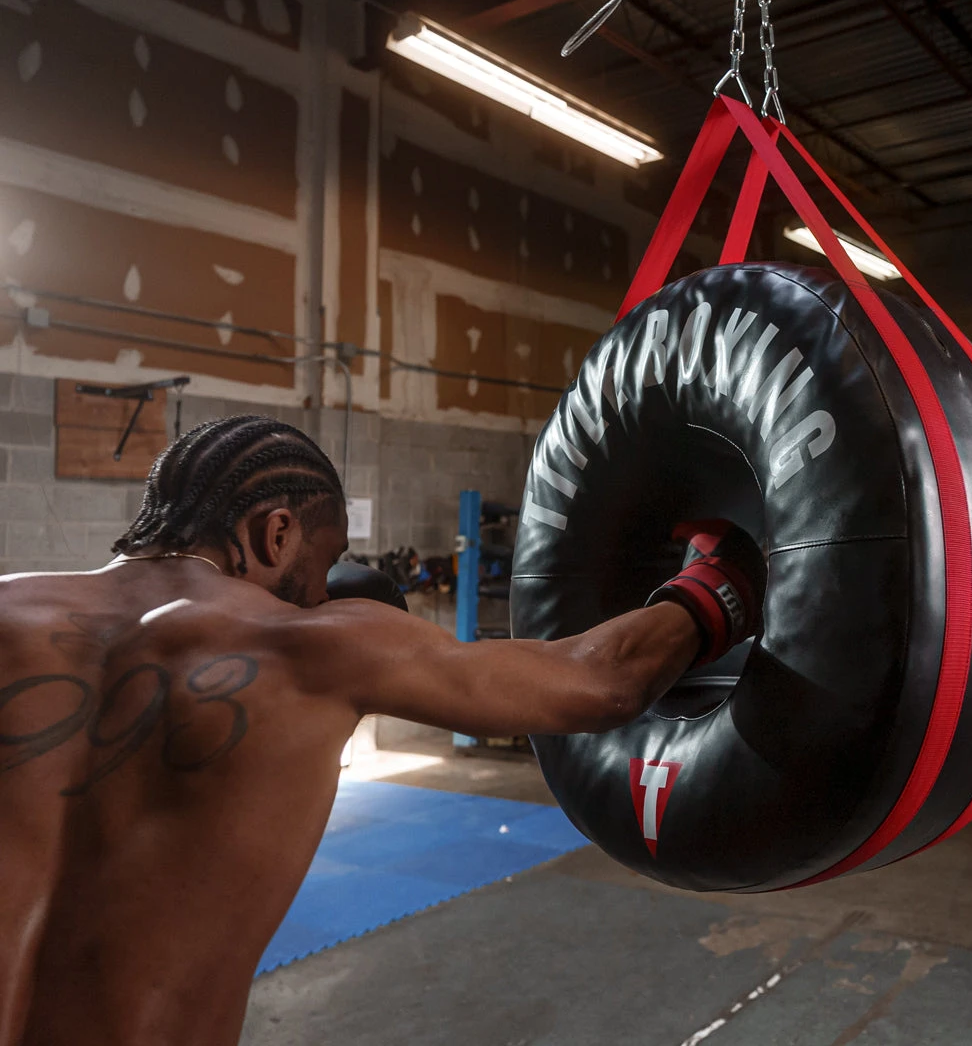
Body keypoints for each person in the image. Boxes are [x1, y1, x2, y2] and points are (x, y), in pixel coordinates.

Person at [0, 415, 761, 1046]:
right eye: (325, 560)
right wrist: (724, 578)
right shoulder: (314, 645)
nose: (324, 590)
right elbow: (604, 681)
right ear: (276, 532)